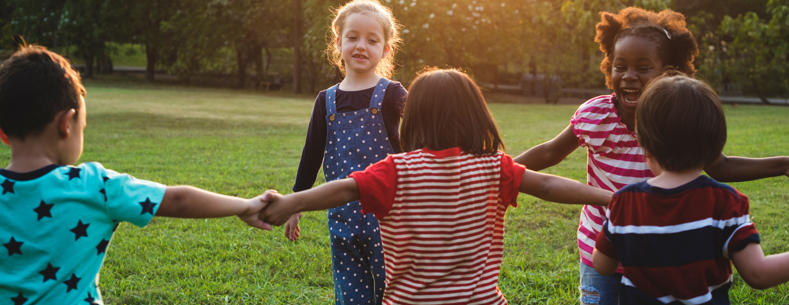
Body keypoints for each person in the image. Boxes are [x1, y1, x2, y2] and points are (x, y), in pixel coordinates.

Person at [259, 68, 613, 304]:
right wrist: (609, 198)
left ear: (412, 119)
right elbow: (549, 185)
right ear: (477, 115)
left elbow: (344, 189)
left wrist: (293, 201)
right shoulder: (494, 167)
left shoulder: (396, 170)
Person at [511, 7, 789, 305]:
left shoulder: (674, 119)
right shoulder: (595, 114)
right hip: (600, 244)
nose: (629, 77)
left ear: (669, 71)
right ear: (609, 66)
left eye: (643, 68)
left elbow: (720, 166)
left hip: (658, 248)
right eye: (620, 67)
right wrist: (503, 169)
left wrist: (783, 164)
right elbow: (551, 151)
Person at [0, 45, 271, 305]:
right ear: (66, 125)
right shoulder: (93, 186)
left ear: (3, 133)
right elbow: (179, 200)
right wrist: (244, 205)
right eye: (83, 125)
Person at [592, 72, 789, 304]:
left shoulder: (624, 203)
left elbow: (602, 265)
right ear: (716, 143)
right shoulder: (726, 202)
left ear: (643, 142)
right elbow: (759, 274)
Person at [285, 0, 407, 303]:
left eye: (372, 39)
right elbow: (311, 154)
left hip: (390, 221)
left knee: (395, 293)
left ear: (386, 49)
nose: (361, 46)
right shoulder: (325, 100)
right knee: (351, 294)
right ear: (338, 42)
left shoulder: (394, 94)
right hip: (343, 220)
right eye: (352, 37)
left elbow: (414, 150)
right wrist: (295, 204)